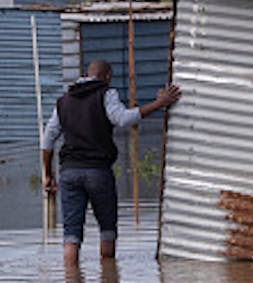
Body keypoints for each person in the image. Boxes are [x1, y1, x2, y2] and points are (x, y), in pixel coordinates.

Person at [41, 60, 182, 267]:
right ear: (107, 76)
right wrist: (158, 104)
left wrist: (48, 174)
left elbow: (47, 140)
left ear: (86, 75)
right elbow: (123, 119)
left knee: (71, 234)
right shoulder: (106, 93)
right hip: (98, 171)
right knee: (107, 229)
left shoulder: (64, 101)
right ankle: (109, 282)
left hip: (69, 173)